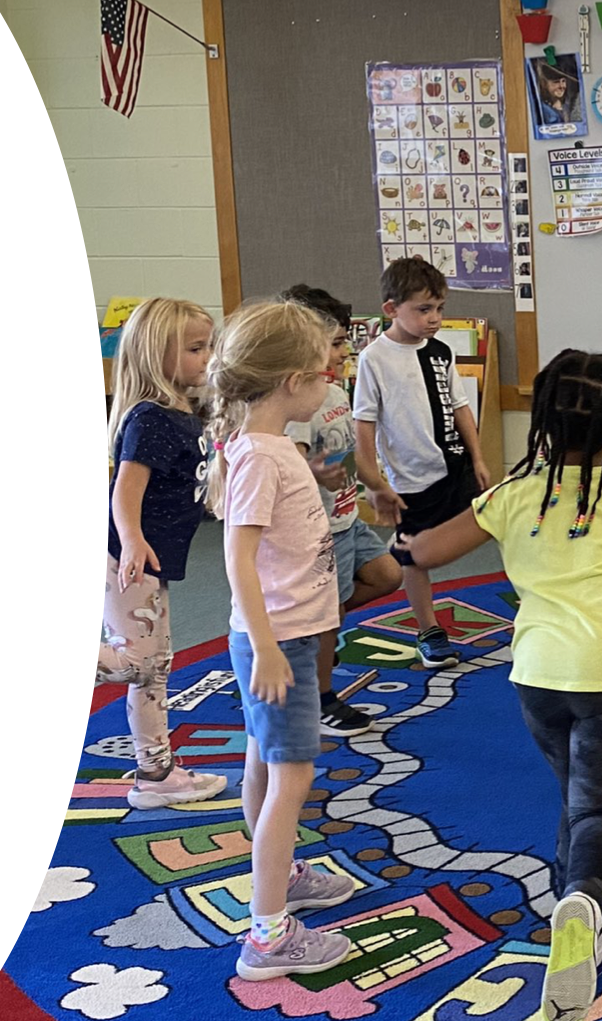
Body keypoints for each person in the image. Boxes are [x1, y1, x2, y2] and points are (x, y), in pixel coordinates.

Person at [399, 350, 602, 1021]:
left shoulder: (510, 497)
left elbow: (425, 553)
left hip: (538, 678)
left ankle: (577, 919)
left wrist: (396, 533)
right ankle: (582, 902)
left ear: (542, 428)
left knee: (576, 795)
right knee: (601, 808)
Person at [207, 301, 361, 980]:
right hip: (281, 643)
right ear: (295, 380)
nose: (333, 383)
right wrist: (268, 647)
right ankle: (268, 936)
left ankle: (281, 876)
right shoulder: (260, 459)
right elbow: (236, 558)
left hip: (280, 638)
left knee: (264, 769)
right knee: (290, 779)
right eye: (328, 371)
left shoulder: (268, 449)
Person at [102, 297, 230, 810]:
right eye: (197, 349)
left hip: (155, 563)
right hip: (129, 558)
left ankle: (156, 773)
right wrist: (131, 537)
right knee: (136, 662)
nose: (208, 357)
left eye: (209, 346)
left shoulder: (182, 414)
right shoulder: (151, 418)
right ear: (158, 356)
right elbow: (125, 488)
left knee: (155, 667)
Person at [352, 257, 492, 670]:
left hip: (456, 466)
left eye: (440, 309)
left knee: (490, 522)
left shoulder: (440, 351)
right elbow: (365, 426)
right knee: (414, 557)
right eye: (423, 310)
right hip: (411, 479)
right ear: (392, 309)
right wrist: (375, 482)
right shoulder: (374, 359)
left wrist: (479, 457)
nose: (435, 319)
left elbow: (461, 406)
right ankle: (429, 629)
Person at [279, 284, 404, 736]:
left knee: (387, 576)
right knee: (326, 612)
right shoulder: (297, 402)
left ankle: (311, 634)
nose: (344, 350)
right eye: (334, 343)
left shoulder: (334, 393)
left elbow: (348, 456)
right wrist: (313, 468)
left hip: (347, 518)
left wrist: (376, 487)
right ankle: (320, 698)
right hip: (318, 530)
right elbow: (284, 461)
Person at [532, 58, 582, 129]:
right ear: (544, 84)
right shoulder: (547, 112)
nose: (561, 86)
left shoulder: (568, 105)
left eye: (563, 81)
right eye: (556, 82)